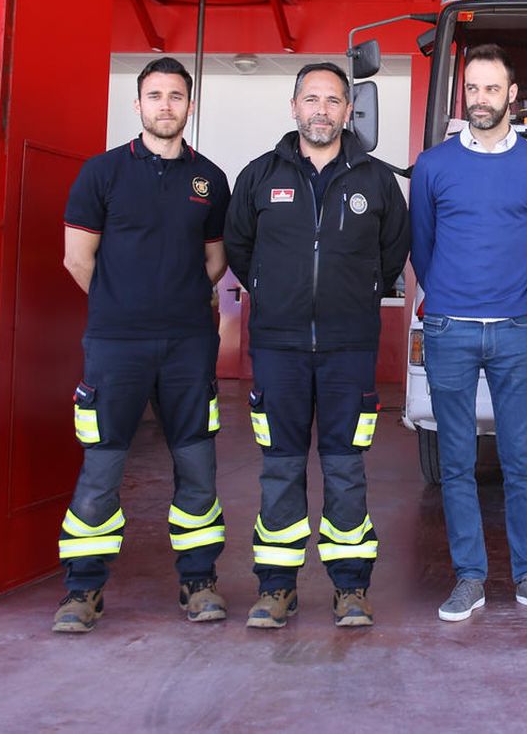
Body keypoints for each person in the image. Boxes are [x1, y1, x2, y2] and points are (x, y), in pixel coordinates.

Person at [224, 62, 409, 630]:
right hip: (277, 349)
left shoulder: (376, 181)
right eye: (312, 99)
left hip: (348, 350)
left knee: (346, 467)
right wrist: (274, 295)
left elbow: (392, 253)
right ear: (294, 106)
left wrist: (351, 299)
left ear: (349, 111)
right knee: (279, 467)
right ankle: (276, 588)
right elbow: (239, 248)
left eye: (334, 101)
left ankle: (351, 588)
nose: (322, 110)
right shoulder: (259, 176)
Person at [54, 56, 231, 633]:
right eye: (155, 96)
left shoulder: (210, 179)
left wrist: (173, 302)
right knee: (102, 468)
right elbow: (77, 259)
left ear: (189, 105)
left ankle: (199, 581)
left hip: (187, 346)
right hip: (116, 347)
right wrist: (123, 304)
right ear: (137, 105)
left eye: (176, 96)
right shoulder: (101, 174)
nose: (165, 106)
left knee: (196, 466)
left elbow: (214, 260)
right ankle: (83, 590)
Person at [410, 44, 527, 622]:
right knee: (455, 462)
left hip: (512, 332)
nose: (480, 99)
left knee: (520, 460)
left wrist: (516, 306)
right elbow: (422, 246)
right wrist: (451, 298)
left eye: (490, 89)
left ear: (511, 95)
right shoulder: (433, 165)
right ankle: (469, 578)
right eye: (471, 89)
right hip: (449, 328)